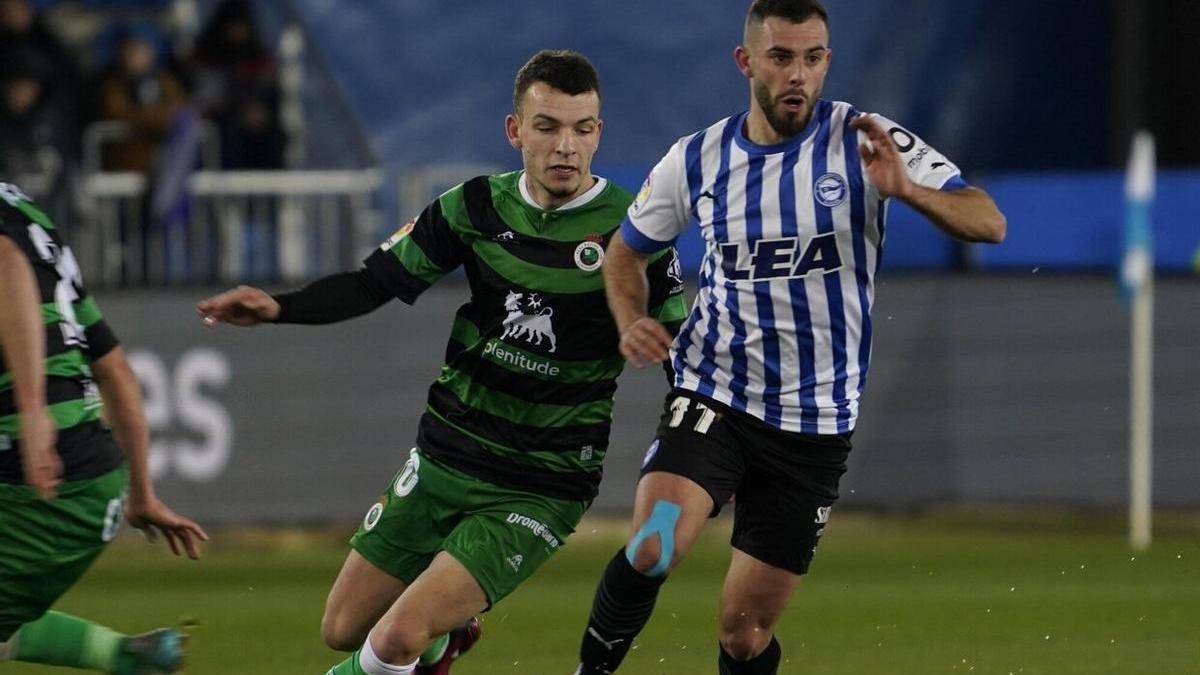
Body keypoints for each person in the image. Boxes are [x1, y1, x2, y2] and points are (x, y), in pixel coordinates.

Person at [196, 49, 688, 675]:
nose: (566, 146)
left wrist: (698, 456)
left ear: (598, 133)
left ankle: (428, 636)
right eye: (547, 127)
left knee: (396, 636)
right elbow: (372, 284)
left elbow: (684, 354)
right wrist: (278, 308)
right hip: (446, 453)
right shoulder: (472, 207)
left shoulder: (633, 229)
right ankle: (448, 640)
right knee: (343, 627)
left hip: (542, 480)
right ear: (515, 132)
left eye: (582, 129)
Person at [573, 1, 1006, 673]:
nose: (797, 75)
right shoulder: (697, 159)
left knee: (743, 633)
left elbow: (989, 221)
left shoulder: (865, 140)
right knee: (654, 544)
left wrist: (910, 191)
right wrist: (631, 319)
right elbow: (625, 252)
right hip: (713, 395)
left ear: (827, 60)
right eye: (780, 57)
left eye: (812, 58)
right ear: (747, 62)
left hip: (813, 427)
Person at [0, 181, 209, 673]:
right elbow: (114, 369)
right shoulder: (31, 219)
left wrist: (33, 411)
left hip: (38, 481)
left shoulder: (14, 244)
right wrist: (141, 492)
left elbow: (5, 265)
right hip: (91, 480)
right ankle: (126, 657)